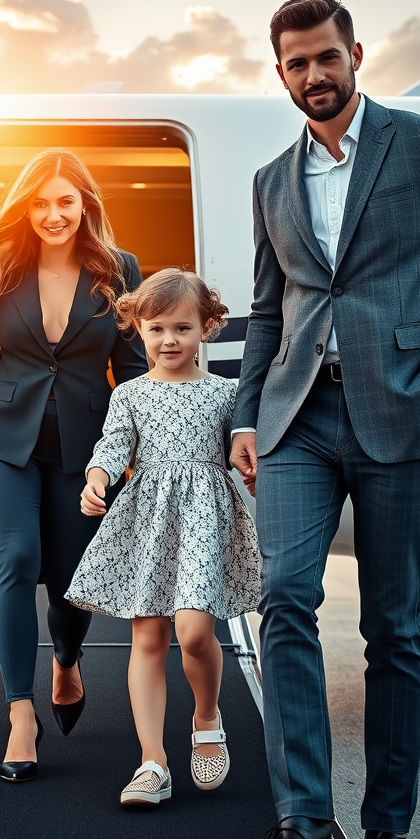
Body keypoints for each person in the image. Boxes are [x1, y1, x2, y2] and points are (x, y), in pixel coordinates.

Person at [229, 0, 420, 839]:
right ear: (278, 71)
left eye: (326, 58)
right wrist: (247, 415)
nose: (314, 76)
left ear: (356, 54)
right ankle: (305, 819)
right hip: (298, 419)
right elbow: (265, 310)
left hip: (401, 408)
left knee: (393, 627)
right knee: (284, 599)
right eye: (296, 64)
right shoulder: (270, 182)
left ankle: (388, 829)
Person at [0, 149, 148, 784]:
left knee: (69, 574)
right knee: (19, 558)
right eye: (40, 202)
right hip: (3, 436)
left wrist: (141, 445)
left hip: (87, 444)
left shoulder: (119, 270)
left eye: (65, 201)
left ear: (85, 204)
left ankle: (66, 658)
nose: (53, 214)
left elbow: (134, 365)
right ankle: (19, 715)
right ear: (25, 207)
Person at [66, 268, 261, 807]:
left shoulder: (229, 392)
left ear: (208, 328)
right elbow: (113, 445)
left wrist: (253, 471)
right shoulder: (130, 393)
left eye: (182, 328)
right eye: (156, 329)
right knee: (148, 637)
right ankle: (152, 762)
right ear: (138, 329)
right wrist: (97, 478)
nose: (169, 340)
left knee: (196, 632)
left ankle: (206, 717)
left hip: (202, 516)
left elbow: (243, 448)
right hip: (147, 520)